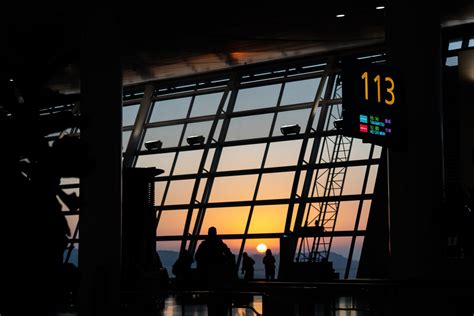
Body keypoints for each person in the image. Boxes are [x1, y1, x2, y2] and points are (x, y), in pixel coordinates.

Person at [194, 226, 234, 315]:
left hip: (208, 275)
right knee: (220, 298)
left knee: (211, 299)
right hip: (220, 275)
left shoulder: (204, 244)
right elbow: (229, 255)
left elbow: (197, 257)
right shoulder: (220, 243)